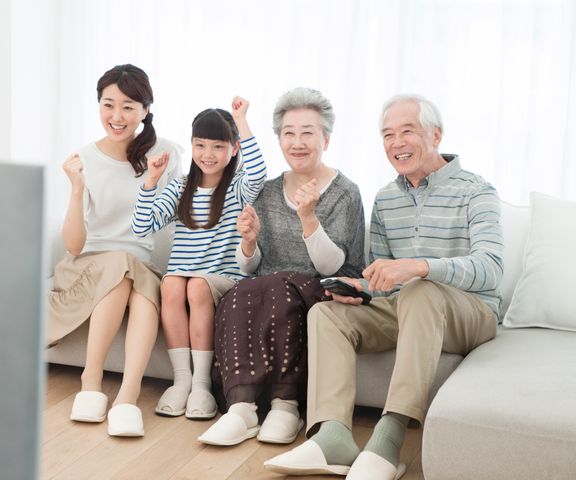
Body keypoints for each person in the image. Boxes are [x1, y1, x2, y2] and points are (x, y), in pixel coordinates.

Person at [265, 94, 503, 479]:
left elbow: (491, 269)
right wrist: (357, 286)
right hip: (407, 306)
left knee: (421, 290)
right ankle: (333, 438)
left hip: (470, 313)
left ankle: (388, 442)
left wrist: (420, 268)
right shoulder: (387, 198)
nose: (396, 143)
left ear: (436, 134)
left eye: (407, 131)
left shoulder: (476, 191)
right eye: (387, 135)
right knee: (327, 312)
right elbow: (384, 279)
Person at [197, 87, 366, 447]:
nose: (297, 141)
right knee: (244, 290)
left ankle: (285, 406)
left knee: (279, 284)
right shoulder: (268, 190)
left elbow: (335, 264)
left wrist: (308, 218)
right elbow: (251, 266)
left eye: (308, 132)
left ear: (326, 139)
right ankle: (241, 410)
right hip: (268, 288)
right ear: (279, 140)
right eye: (288, 133)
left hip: (322, 289)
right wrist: (249, 241)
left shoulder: (344, 192)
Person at [47, 64, 182, 437]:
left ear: (145, 109)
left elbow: (175, 218)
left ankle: (125, 394)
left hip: (139, 266)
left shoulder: (167, 154)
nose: (116, 116)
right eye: (108, 105)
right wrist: (76, 190)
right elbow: (74, 245)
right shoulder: (85, 158)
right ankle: (93, 381)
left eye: (127, 106)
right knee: (123, 268)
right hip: (86, 265)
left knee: (135, 279)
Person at [132, 97, 267, 421]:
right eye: (200, 145)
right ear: (191, 146)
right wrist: (150, 180)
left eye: (218, 146)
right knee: (173, 284)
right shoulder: (181, 188)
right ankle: (182, 381)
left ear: (234, 148)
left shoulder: (237, 188)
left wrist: (241, 120)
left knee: (195, 287)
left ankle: (202, 385)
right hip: (185, 276)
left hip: (224, 278)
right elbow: (141, 227)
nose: (208, 154)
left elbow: (259, 172)